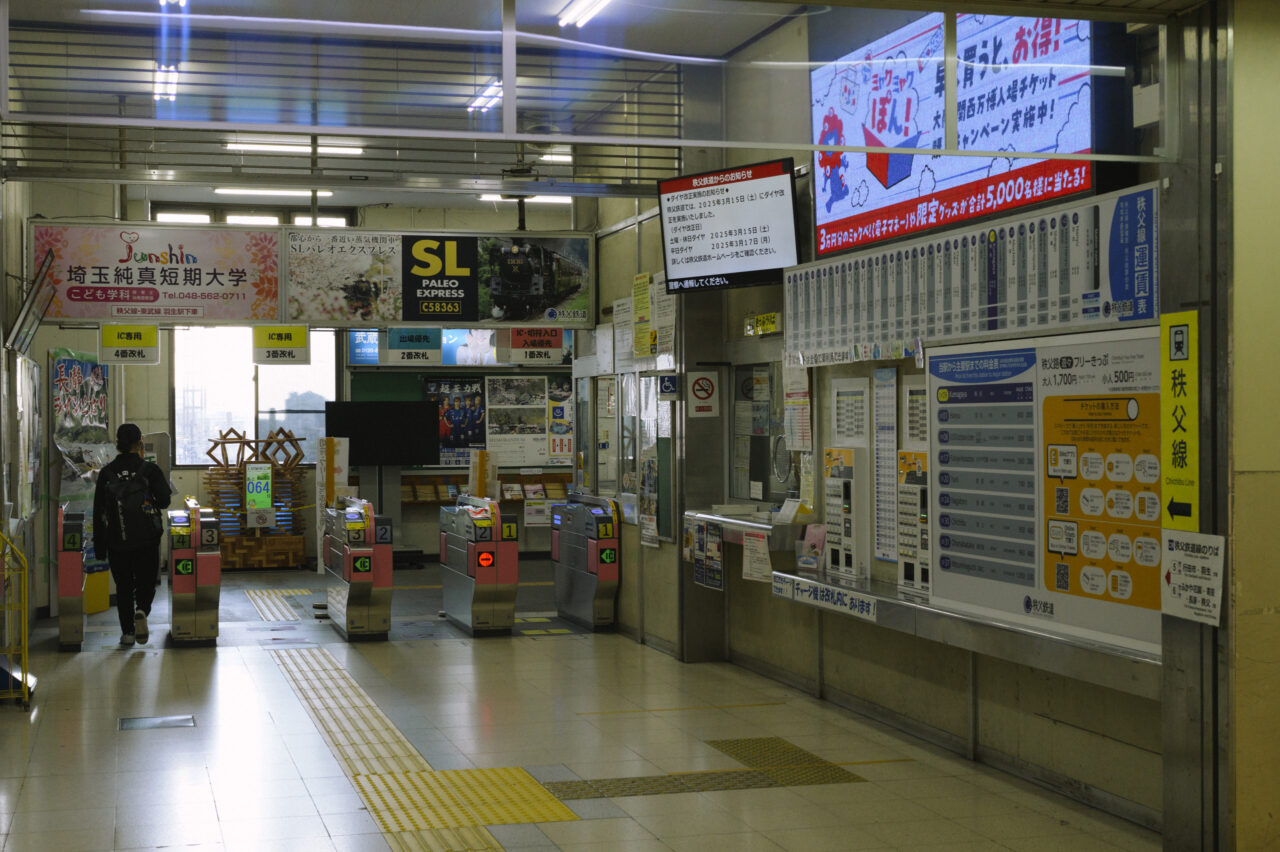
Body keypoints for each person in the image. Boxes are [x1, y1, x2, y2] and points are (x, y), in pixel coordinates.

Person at [93, 423, 172, 646]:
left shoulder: (106, 473)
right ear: (140, 443)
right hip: (147, 540)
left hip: (117, 540)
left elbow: (99, 512)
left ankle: (127, 633)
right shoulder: (149, 470)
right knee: (146, 583)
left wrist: (100, 547)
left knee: (124, 587)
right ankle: (142, 610)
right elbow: (164, 501)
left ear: (117, 443)